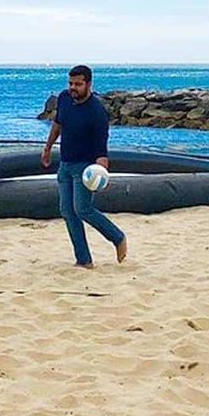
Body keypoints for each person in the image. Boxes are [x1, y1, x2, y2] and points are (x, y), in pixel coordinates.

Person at [41, 66, 128, 268]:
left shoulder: (96, 112)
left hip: (86, 168)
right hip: (65, 164)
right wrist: (47, 148)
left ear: (88, 84)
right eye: (71, 83)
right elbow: (58, 124)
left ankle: (117, 237)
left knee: (83, 209)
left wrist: (102, 173)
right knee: (67, 210)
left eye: (78, 84)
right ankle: (84, 260)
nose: (73, 88)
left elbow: (101, 149)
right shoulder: (63, 98)